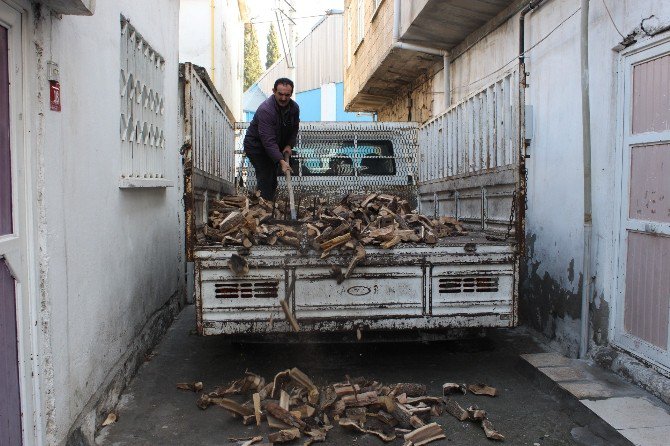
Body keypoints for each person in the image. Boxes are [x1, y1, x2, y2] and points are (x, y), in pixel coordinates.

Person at [243, 78, 300, 200]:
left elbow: (294, 128)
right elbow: (268, 141)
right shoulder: (266, 110)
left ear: (291, 94)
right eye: (280, 94)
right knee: (266, 176)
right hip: (256, 146)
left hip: (274, 146)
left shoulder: (294, 108)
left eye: (287, 95)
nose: (283, 98)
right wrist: (281, 161)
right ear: (274, 91)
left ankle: (264, 202)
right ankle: (264, 209)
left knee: (271, 180)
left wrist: (289, 145)